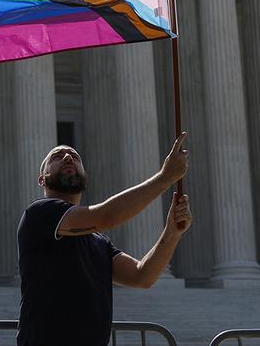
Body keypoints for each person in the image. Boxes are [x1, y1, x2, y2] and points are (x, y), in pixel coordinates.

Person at [16, 132, 192, 346]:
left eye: (74, 156)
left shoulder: (98, 242)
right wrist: (165, 178)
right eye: (57, 156)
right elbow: (105, 216)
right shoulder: (40, 213)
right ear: (42, 179)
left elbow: (142, 276)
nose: (68, 157)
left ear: (85, 176)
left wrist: (172, 232)